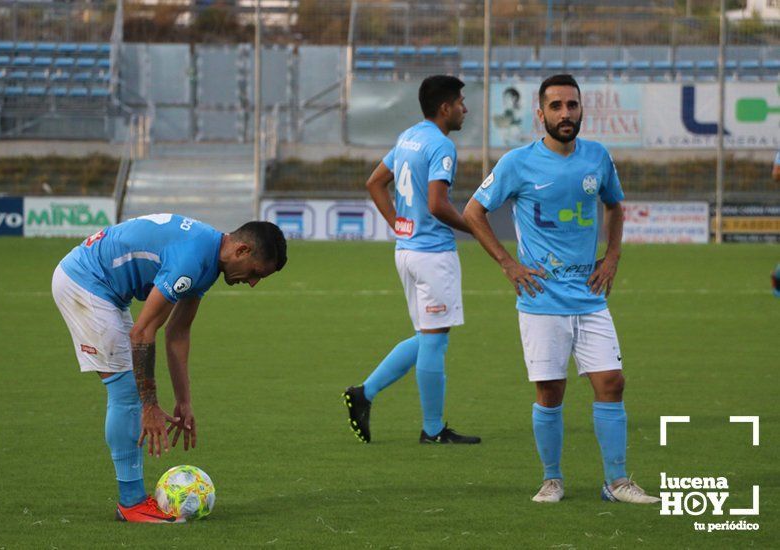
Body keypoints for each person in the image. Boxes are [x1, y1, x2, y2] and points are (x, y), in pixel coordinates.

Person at [462, 74, 659, 504]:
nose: (565, 114)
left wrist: (612, 257)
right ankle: (552, 479)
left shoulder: (597, 157)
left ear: (581, 109)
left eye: (572, 105)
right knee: (550, 390)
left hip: (589, 296)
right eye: (556, 107)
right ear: (540, 114)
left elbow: (615, 206)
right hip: (541, 299)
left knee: (612, 381)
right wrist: (508, 263)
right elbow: (474, 211)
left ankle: (617, 482)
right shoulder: (517, 162)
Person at [52, 215, 287, 522]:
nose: (253, 283)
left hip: (102, 287)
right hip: (85, 283)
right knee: (127, 392)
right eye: (256, 273)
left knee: (131, 391)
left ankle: (132, 501)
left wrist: (184, 401)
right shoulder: (192, 259)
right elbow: (142, 332)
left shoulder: (207, 261)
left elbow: (177, 333)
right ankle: (132, 504)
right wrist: (150, 405)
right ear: (241, 250)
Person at [343, 75, 480, 445]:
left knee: (428, 337)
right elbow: (437, 204)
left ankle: (364, 393)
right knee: (435, 342)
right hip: (432, 254)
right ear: (445, 108)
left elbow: (375, 182)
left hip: (406, 251)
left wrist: (399, 225)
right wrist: (472, 226)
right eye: (461, 102)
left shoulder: (409, 136)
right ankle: (433, 430)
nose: (465, 108)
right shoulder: (441, 145)